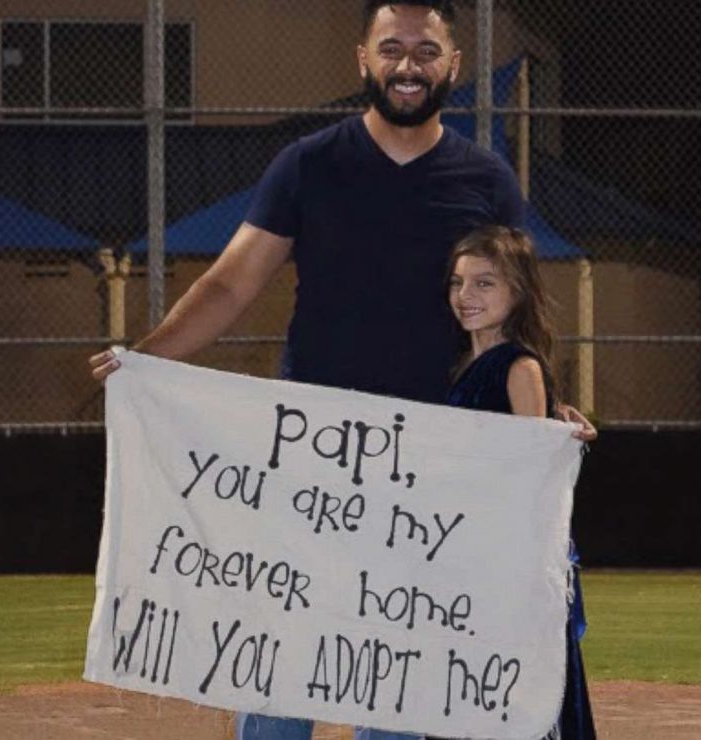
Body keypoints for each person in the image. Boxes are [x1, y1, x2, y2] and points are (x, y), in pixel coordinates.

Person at [90, 1, 596, 737]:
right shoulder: (308, 165)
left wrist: (548, 414)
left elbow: (516, 311)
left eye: (427, 50)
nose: (409, 65)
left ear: (453, 65)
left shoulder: (485, 178)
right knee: (282, 658)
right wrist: (145, 360)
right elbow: (232, 284)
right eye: (392, 48)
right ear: (363, 58)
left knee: (396, 683)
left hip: (428, 474)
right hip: (312, 460)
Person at [444, 225, 596, 739]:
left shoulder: (517, 365)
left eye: (484, 283)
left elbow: (529, 474)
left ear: (518, 291)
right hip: (474, 558)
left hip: (503, 566)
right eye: (458, 283)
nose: (466, 296)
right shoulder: (470, 364)